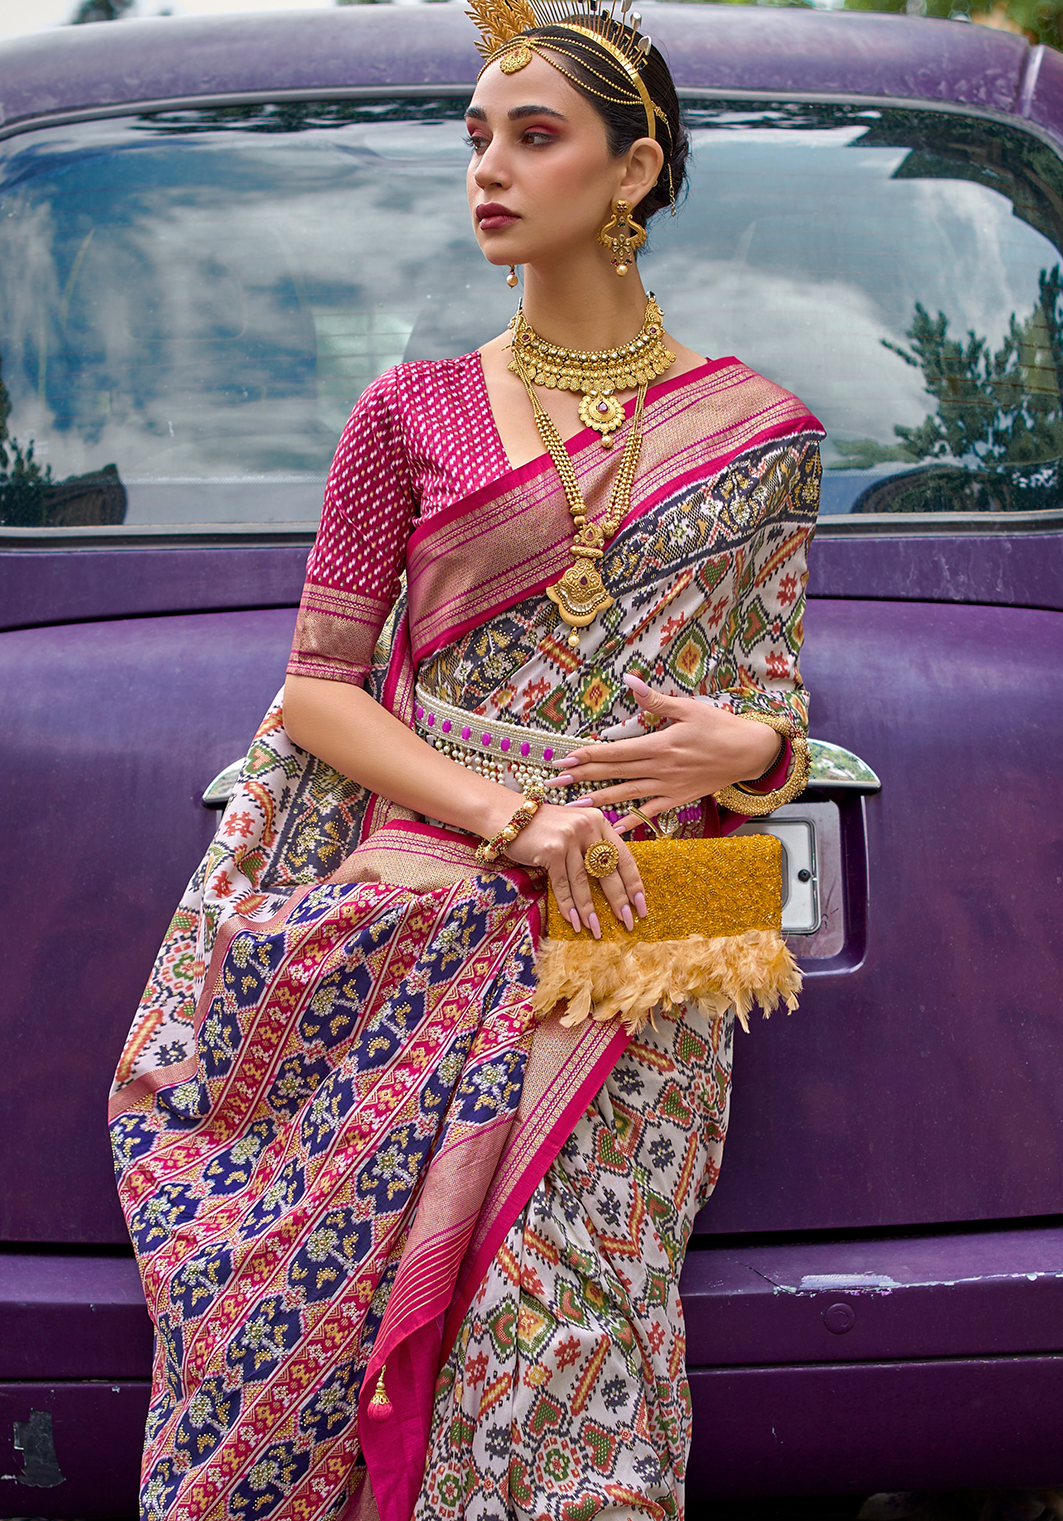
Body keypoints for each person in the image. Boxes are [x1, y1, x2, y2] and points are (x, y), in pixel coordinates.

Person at [108, 3, 823, 1517]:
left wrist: (754, 745)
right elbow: (318, 692)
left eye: (535, 135)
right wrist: (517, 820)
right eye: (478, 138)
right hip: (421, 918)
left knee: (576, 1336)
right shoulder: (410, 408)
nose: (489, 169)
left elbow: (771, 703)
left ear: (632, 174)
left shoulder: (763, 437)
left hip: (638, 949)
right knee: (346, 1326)